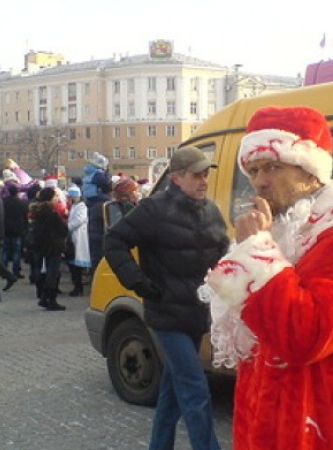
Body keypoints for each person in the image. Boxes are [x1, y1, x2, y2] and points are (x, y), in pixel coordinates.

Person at [199, 106, 333, 450]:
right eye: (254, 169)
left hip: (328, 430)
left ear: (310, 171)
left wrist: (256, 252)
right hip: (271, 424)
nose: (260, 181)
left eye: (274, 167)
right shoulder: (285, 232)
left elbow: (304, 336)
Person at [104, 146, 229, 450]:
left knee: (171, 395)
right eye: (196, 175)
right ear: (176, 177)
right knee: (195, 389)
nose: (203, 180)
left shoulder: (210, 209)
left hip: (197, 314)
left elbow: (223, 250)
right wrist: (139, 283)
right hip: (166, 315)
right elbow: (114, 241)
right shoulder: (153, 209)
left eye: (205, 174)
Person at [31, 186, 68, 311]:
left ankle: (44, 297)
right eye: (55, 197)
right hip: (54, 246)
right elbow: (63, 230)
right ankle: (50, 299)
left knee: (49, 272)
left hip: (44, 246)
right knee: (53, 273)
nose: (56, 199)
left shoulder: (38, 212)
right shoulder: (52, 214)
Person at [83, 153, 111, 270]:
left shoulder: (89, 173)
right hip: (98, 199)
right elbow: (106, 183)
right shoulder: (98, 174)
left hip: (91, 200)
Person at [65, 185, 89, 297]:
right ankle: (77, 286)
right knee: (73, 265)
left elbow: (79, 220)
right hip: (73, 238)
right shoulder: (75, 206)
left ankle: (78, 287)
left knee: (76, 266)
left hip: (78, 237)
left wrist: (67, 227)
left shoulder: (81, 207)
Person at [2, 183, 28, 279]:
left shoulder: (4, 202)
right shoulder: (22, 203)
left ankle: (3, 271)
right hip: (18, 230)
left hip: (6, 229)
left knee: (5, 251)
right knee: (16, 252)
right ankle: (16, 271)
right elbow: (25, 216)